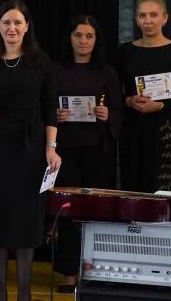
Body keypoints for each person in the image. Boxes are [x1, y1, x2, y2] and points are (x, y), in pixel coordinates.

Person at [0, 0, 61, 301]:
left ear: (26, 27)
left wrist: (51, 148)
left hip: (30, 149)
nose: (12, 28)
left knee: (26, 219)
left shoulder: (40, 61)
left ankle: (24, 292)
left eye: (17, 22)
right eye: (6, 22)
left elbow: (49, 106)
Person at [52, 15, 122, 292]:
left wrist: (107, 114)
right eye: (78, 35)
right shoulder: (55, 70)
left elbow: (119, 112)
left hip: (97, 151)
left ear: (96, 40)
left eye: (89, 36)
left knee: (96, 211)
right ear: (69, 38)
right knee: (69, 211)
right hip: (65, 151)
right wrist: (54, 114)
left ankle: (97, 270)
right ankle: (69, 272)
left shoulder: (107, 72)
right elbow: (42, 107)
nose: (83, 40)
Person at [118, 0, 171, 192]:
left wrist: (160, 105)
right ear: (136, 19)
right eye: (142, 15)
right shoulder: (125, 51)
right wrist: (128, 101)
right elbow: (113, 92)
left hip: (164, 129)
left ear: (165, 18)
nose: (148, 20)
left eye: (153, 15)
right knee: (132, 187)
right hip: (132, 129)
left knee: (162, 188)